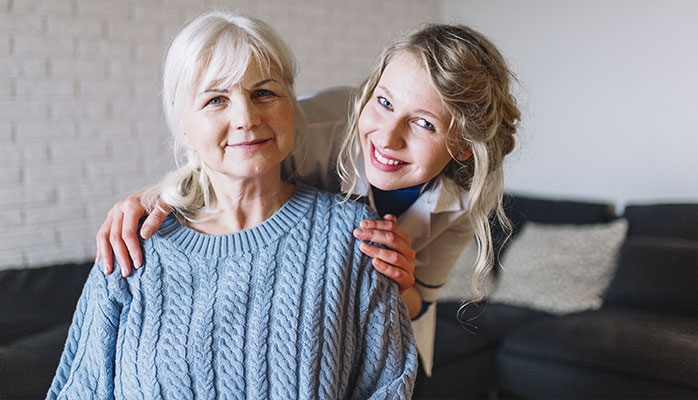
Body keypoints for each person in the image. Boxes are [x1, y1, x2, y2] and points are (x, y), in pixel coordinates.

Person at [96, 20, 520, 376]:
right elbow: (228, 151)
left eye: (424, 124)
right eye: (384, 102)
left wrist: (401, 281)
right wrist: (151, 195)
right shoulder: (313, 125)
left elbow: (419, 302)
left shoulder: (465, 200)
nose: (387, 138)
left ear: (464, 145)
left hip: (388, 342)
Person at [47, 10, 417, 399]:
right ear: (183, 124)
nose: (246, 117)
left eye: (264, 93)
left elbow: (388, 386)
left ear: (292, 105)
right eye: (216, 99)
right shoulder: (132, 246)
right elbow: (80, 389)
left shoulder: (353, 235)